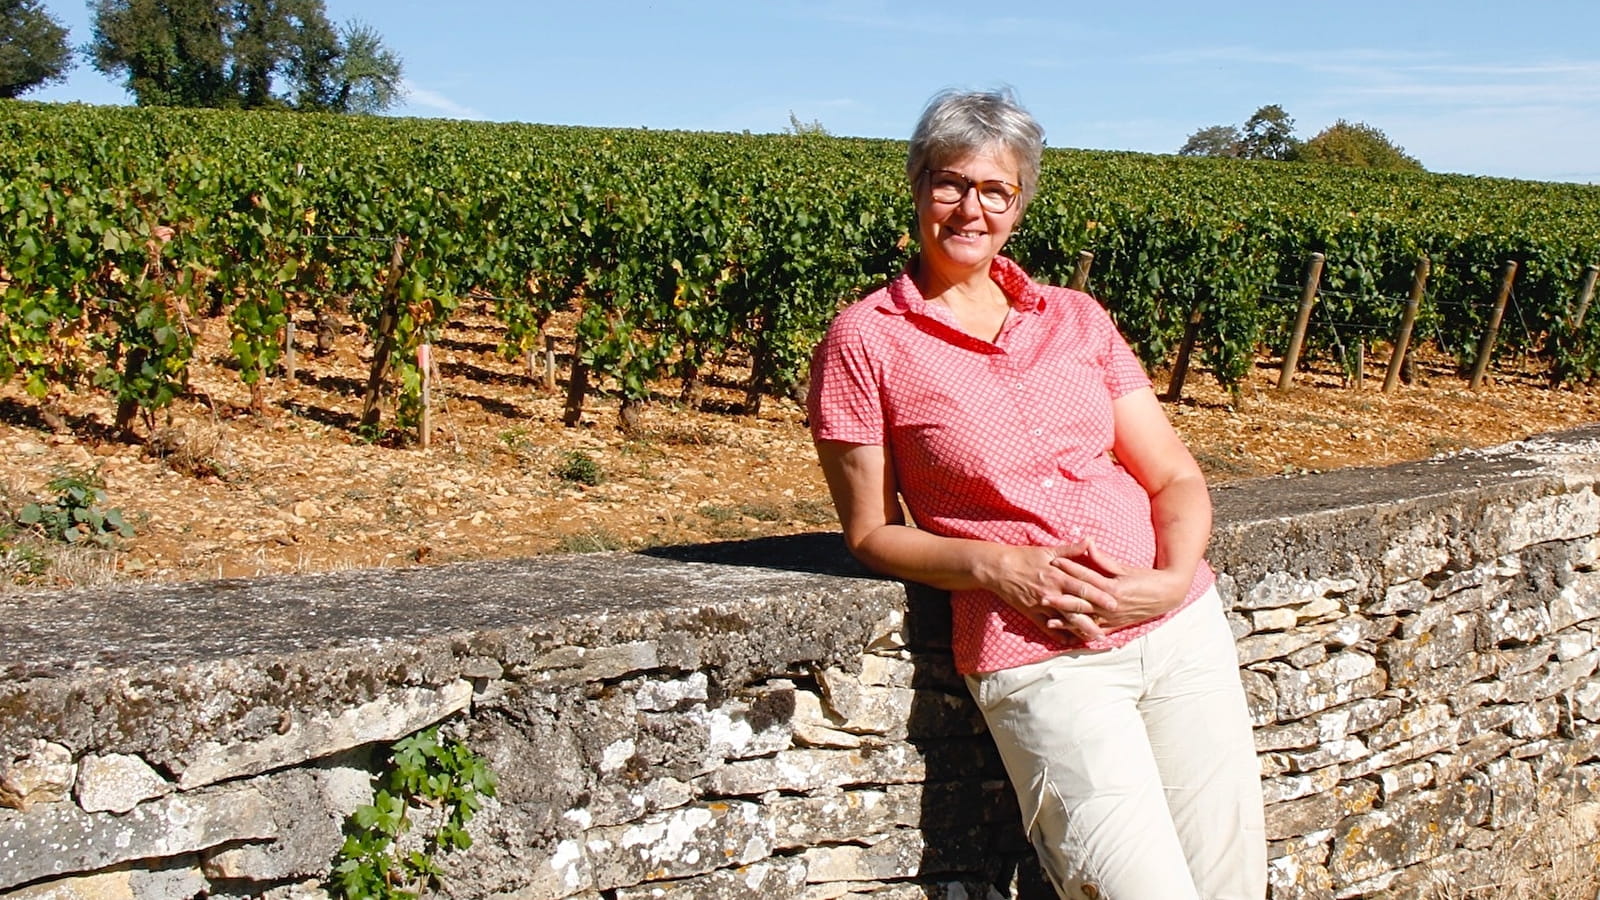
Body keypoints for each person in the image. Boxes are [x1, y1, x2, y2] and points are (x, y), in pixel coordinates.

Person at [806, 88, 1267, 899]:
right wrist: (997, 568)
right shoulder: (865, 338)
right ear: (917, 187)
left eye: (996, 190)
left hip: (1179, 631)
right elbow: (871, 533)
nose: (970, 208)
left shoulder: (1078, 320)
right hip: (1041, 658)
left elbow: (1174, 475)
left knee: (1232, 885)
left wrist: (1164, 583)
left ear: (1019, 204)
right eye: (950, 183)